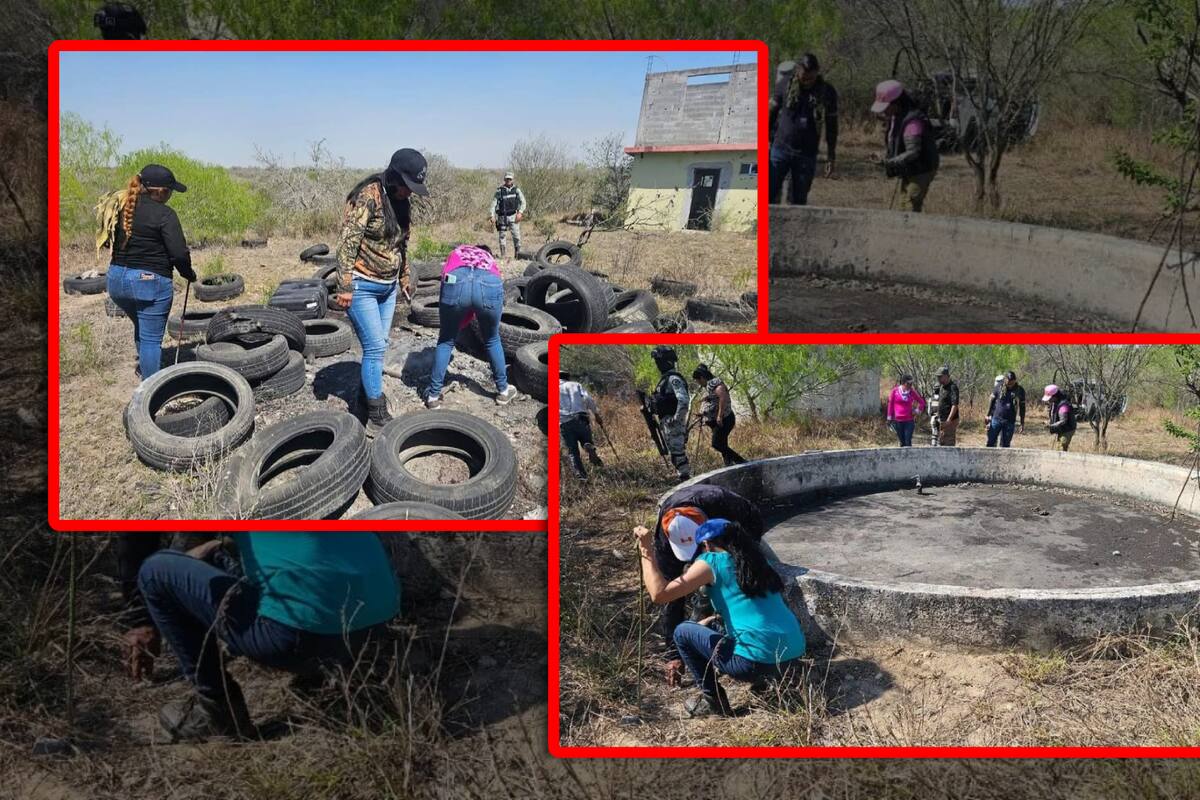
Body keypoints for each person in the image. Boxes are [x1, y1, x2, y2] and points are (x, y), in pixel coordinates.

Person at [138, 532, 401, 741]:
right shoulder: (327, 495)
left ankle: (218, 710)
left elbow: (189, 547)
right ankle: (326, 668)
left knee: (155, 571)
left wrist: (159, 610)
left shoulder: (240, 497)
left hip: (298, 639)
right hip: (374, 634)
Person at [634, 518, 805, 717]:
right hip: (793, 654)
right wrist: (710, 621)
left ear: (707, 544)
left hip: (753, 664)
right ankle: (769, 681)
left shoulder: (711, 562)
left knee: (682, 632)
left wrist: (646, 549)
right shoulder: (757, 562)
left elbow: (659, 594)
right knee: (714, 625)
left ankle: (714, 701)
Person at [335, 148, 428, 435]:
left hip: (387, 288)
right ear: (394, 177)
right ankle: (376, 414)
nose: (408, 193)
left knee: (380, 344)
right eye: (406, 186)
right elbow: (348, 242)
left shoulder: (402, 202)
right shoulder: (369, 196)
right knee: (375, 348)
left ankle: (364, 398)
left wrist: (404, 276)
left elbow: (402, 244)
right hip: (362, 284)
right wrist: (345, 285)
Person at [651, 484, 766, 688]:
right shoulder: (664, 539)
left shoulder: (721, 502)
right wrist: (673, 653)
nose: (695, 557)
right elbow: (668, 597)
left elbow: (755, 523)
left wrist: (744, 560)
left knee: (720, 589)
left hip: (732, 530)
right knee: (697, 597)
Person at [102, 164, 196, 381]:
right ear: (160, 191)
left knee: (143, 329)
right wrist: (188, 273)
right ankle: (152, 391)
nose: (171, 195)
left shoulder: (122, 207)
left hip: (116, 280)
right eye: (171, 190)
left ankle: (146, 370)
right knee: (152, 340)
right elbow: (179, 253)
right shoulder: (165, 214)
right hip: (148, 283)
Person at [424, 244, 517, 409]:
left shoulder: (457, 252)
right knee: (492, 339)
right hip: (489, 282)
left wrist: (457, 321)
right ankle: (503, 390)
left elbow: (445, 279)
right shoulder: (489, 259)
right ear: (486, 251)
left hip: (456, 280)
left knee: (446, 340)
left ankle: (433, 396)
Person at [768, 53, 839, 205]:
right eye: (804, 77)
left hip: (807, 154)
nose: (807, 81)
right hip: (780, 149)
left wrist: (831, 156)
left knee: (798, 201)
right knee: (768, 194)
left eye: (811, 78)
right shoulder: (784, 85)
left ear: (817, 72)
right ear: (798, 70)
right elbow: (771, 114)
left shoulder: (827, 92)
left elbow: (832, 126)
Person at [870, 79, 940, 212]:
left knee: (910, 205)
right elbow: (897, 143)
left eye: (886, 107)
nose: (883, 111)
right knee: (903, 205)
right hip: (910, 167)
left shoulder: (913, 121)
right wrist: (885, 155)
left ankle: (914, 231)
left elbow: (913, 152)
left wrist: (888, 162)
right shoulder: (897, 116)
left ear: (896, 103)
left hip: (922, 168)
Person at [649, 346, 690, 480]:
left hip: (672, 422)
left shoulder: (673, 379)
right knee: (674, 453)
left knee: (678, 453)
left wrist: (677, 418)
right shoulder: (664, 380)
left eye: (658, 361)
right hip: (666, 421)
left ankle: (685, 479)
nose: (657, 364)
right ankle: (682, 477)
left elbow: (683, 400)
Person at [692, 365, 746, 466]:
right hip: (718, 420)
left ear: (702, 378)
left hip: (724, 419)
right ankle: (729, 465)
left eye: (698, 381)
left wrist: (719, 416)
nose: (698, 383)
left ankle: (741, 461)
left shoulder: (714, 383)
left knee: (716, 444)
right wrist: (703, 413)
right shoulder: (709, 386)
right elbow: (713, 402)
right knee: (723, 444)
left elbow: (722, 397)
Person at [559, 371, 603, 480]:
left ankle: (581, 475)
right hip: (581, 417)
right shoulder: (576, 385)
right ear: (568, 377)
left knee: (573, 452)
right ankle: (587, 445)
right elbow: (588, 399)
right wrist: (596, 414)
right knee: (585, 439)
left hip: (565, 422)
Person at [489, 172, 526, 258]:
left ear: (512, 179)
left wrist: (520, 212)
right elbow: (493, 204)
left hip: (514, 216)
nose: (508, 180)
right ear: (504, 179)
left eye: (510, 179)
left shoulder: (516, 190)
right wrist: (492, 215)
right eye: (507, 179)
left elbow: (523, 202)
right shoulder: (499, 191)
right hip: (502, 217)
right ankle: (503, 256)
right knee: (502, 236)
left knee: (517, 236)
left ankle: (518, 256)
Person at [986, 371, 1027, 448]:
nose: (1010, 385)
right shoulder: (999, 386)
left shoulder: (1020, 390)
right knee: (990, 442)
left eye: (1012, 383)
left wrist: (1022, 422)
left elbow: (1022, 407)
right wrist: (988, 415)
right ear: (1005, 379)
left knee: (1005, 445)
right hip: (996, 419)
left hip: (1010, 421)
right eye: (1008, 382)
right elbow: (992, 400)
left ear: (1015, 380)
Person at [885, 374, 925, 447]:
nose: (910, 385)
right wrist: (889, 418)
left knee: (907, 441)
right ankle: (902, 457)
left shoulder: (912, 392)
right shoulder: (895, 391)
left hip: (909, 421)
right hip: (898, 421)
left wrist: (917, 411)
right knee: (902, 442)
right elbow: (890, 405)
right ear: (903, 383)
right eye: (908, 383)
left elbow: (922, 402)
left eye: (911, 383)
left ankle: (909, 457)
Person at [1043, 384, 1077, 452]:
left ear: (1054, 396)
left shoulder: (1063, 406)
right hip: (1062, 429)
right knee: (1059, 448)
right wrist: (1050, 421)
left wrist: (1051, 426)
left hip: (1067, 430)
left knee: (1061, 448)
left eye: (1049, 398)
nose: (1048, 400)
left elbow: (1063, 421)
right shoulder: (1056, 403)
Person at [934, 366, 960, 446]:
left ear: (945, 376)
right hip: (941, 419)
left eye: (940, 377)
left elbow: (954, 405)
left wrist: (949, 419)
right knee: (941, 440)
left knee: (948, 442)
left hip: (950, 420)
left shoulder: (953, 387)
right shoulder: (941, 387)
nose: (938, 379)